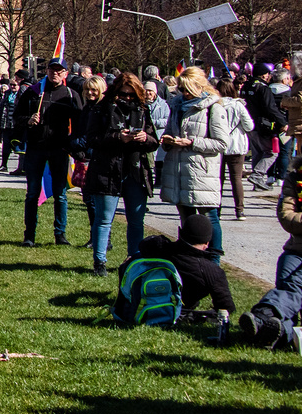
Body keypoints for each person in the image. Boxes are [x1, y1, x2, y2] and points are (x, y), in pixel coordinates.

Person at [81, 73, 160, 276]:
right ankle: (100, 262)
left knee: (136, 220)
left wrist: (144, 138)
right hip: (107, 170)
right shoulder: (101, 109)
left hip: (134, 171)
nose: (127, 98)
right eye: (123, 94)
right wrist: (117, 137)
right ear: (115, 92)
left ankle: (134, 260)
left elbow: (154, 141)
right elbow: (91, 139)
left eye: (131, 95)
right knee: (104, 218)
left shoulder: (142, 110)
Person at [238, 151, 302, 348]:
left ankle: (263, 316)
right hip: (296, 248)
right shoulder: (295, 178)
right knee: (286, 273)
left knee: (297, 283)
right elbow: (286, 219)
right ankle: (277, 332)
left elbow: (295, 218)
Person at [160, 67, 229, 258]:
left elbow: (222, 143)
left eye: (188, 88)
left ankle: (213, 259)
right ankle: (190, 258)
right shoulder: (176, 106)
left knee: (209, 217)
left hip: (201, 171)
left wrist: (192, 142)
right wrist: (167, 140)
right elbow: (169, 130)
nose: (184, 93)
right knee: (187, 218)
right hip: (179, 170)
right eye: (181, 88)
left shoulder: (213, 107)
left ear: (199, 86)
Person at [18, 58, 84, 247]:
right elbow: (17, 117)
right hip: (35, 149)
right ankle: (29, 235)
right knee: (32, 194)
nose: (55, 73)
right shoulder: (33, 92)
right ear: (46, 71)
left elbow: (79, 124)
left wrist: (72, 144)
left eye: (59, 70)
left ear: (65, 73)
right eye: (52, 69)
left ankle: (60, 234)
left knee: (60, 194)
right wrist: (28, 120)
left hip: (59, 150)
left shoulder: (70, 95)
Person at [125, 213, 235, 316]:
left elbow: (143, 244)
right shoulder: (212, 271)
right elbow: (226, 307)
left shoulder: (160, 247)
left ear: (182, 234)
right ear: (207, 243)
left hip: (145, 302)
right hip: (180, 309)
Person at [214, 78, 254, 221]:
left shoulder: (214, 105)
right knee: (236, 178)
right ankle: (240, 210)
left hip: (218, 145)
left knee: (219, 179)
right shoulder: (238, 106)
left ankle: (216, 209)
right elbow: (249, 126)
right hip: (236, 145)